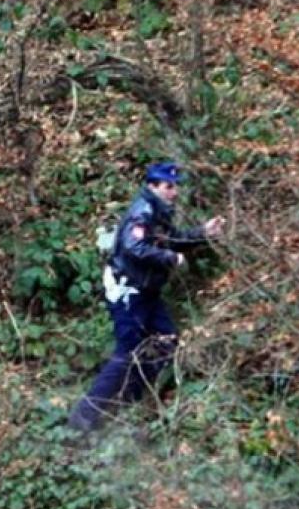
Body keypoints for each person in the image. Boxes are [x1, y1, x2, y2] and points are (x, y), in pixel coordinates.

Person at [68, 162, 224, 431]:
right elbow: (133, 246)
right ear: (153, 186)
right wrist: (169, 257)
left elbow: (174, 239)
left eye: (175, 186)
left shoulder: (159, 212)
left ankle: (129, 403)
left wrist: (203, 233)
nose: (174, 192)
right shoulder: (143, 211)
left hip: (147, 291)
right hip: (127, 290)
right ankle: (85, 415)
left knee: (166, 343)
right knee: (127, 351)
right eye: (168, 186)